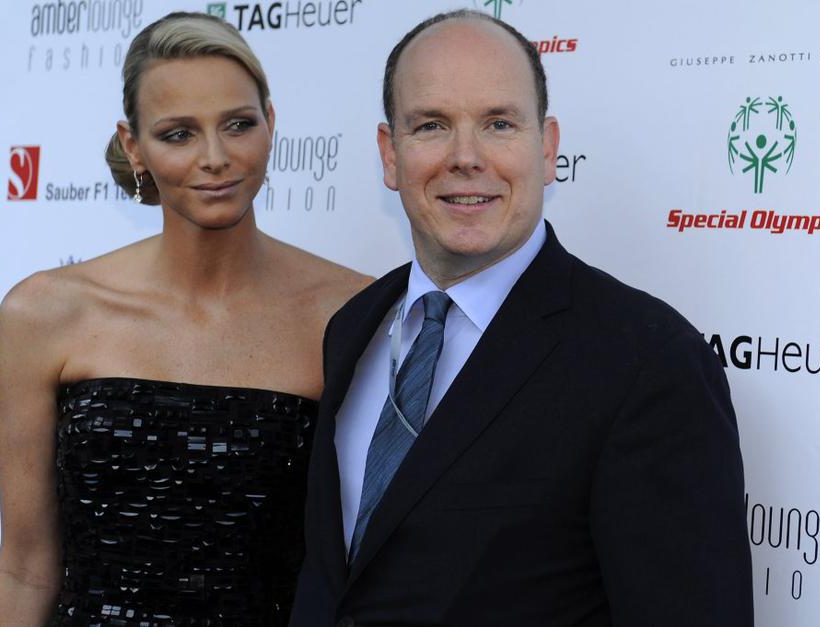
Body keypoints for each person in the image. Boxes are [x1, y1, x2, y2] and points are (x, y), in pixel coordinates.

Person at [290, 10, 753, 627]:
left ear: (548, 147)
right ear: (390, 154)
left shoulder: (648, 365)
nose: (465, 157)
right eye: (431, 125)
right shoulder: (354, 328)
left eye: (499, 123)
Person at [0, 12, 368, 627]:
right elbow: (25, 568)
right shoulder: (45, 314)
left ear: (271, 124)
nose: (215, 158)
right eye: (178, 134)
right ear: (133, 145)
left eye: (238, 124)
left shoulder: (353, 312)